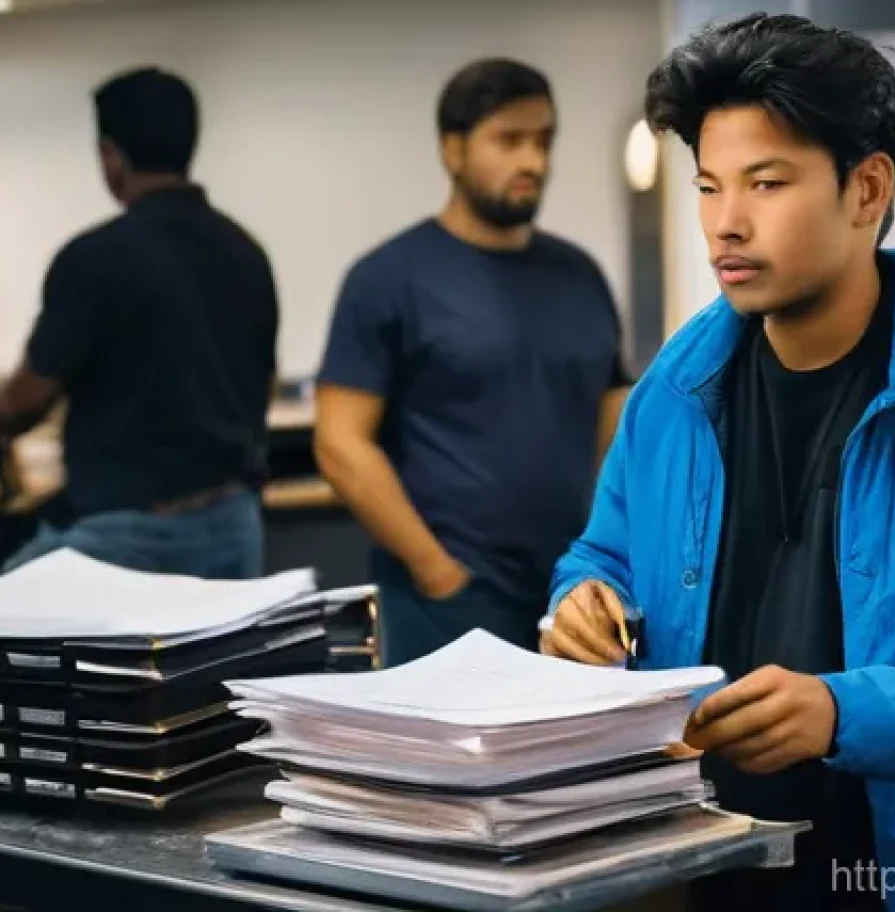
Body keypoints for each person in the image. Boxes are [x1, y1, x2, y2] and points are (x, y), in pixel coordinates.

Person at [542, 13, 895, 912]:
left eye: (766, 184)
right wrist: (579, 606)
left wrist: (845, 715)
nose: (726, 224)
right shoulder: (674, 393)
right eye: (709, 186)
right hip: (695, 871)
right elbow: (602, 557)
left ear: (866, 190)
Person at [315, 57, 632, 668]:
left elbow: (611, 407)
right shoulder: (389, 278)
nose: (533, 162)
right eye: (509, 141)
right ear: (452, 150)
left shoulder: (578, 273)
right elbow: (340, 443)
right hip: (448, 600)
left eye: (543, 141)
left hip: (569, 593)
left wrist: (607, 547)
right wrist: (437, 573)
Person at [0, 67, 279, 579]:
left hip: (124, 533)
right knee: (223, 658)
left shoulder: (94, 258)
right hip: (235, 522)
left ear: (111, 155)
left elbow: (27, 400)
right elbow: (262, 384)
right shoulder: (245, 252)